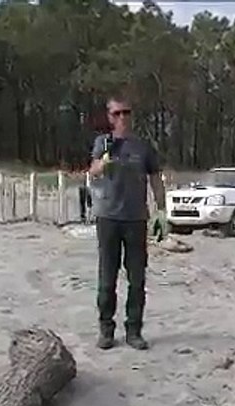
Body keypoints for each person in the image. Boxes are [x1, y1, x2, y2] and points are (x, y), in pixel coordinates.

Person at [87, 93, 167, 350]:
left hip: (135, 219)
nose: (122, 117)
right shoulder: (103, 142)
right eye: (116, 113)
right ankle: (106, 330)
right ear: (109, 117)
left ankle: (134, 330)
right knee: (107, 276)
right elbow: (93, 170)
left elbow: (155, 178)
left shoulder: (143, 146)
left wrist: (162, 211)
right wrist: (105, 160)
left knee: (137, 277)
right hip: (108, 217)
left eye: (126, 112)